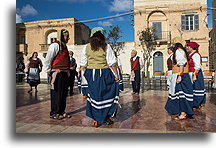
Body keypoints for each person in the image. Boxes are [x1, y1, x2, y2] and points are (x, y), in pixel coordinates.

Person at [79, 27, 120, 127]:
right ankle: (106, 117)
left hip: (91, 73)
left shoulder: (86, 47)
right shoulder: (106, 46)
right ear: (102, 35)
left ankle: (95, 119)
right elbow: (111, 62)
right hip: (104, 73)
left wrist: (85, 76)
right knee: (107, 95)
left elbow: (83, 64)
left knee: (94, 96)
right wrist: (117, 75)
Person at [45, 29, 72, 120]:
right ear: (61, 36)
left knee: (64, 93)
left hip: (64, 73)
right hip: (57, 73)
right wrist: (49, 71)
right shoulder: (55, 45)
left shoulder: (64, 47)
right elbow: (48, 58)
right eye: (66, 36)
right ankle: (54, 113)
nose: (68, 38)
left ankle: (61, 111)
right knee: (56, 93)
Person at [165, 43, 194, 120]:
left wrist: (180, 75)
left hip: (181, 75)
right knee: (179, 94)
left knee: (182, 94)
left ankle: (183, 113)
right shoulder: (181, 51)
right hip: (180, 75)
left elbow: (181, 63)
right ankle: (180, 112)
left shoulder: (179, 51)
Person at [186, 42, 206, 108]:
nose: (187, 48)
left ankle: (197, 103)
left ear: (192, 48)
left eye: (188, 46)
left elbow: (198, 67)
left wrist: (195, 75)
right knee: (193, 88)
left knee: (197, 88)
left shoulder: (196, 55)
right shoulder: (190, 54)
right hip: (191, 73)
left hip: (195, 73)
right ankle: (194, 103)